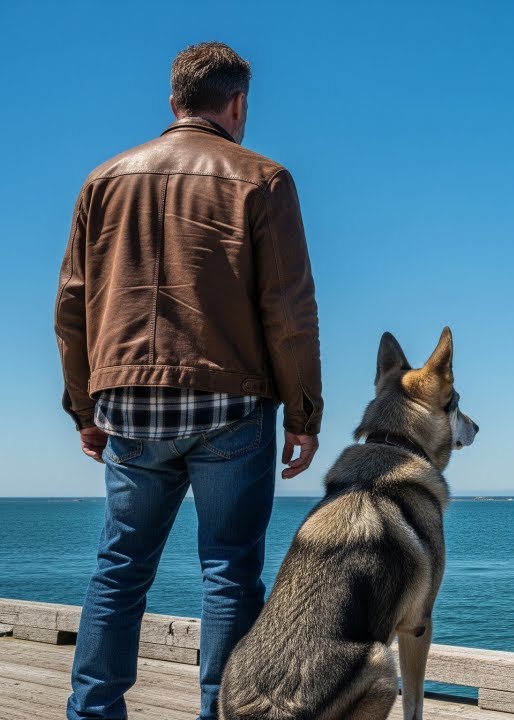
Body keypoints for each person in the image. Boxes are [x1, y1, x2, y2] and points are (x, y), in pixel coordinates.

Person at [54, 42, 323, 720]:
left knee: (119, 568)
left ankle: (91, 711)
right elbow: (288, 311)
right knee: (230, 572)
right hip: (230, 405)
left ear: (173, 103)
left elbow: (72, 306)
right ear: (236, 105)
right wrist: (304, 413)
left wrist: (85, 409)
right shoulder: (264, 178)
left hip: (128, 409)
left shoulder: (104, 180)